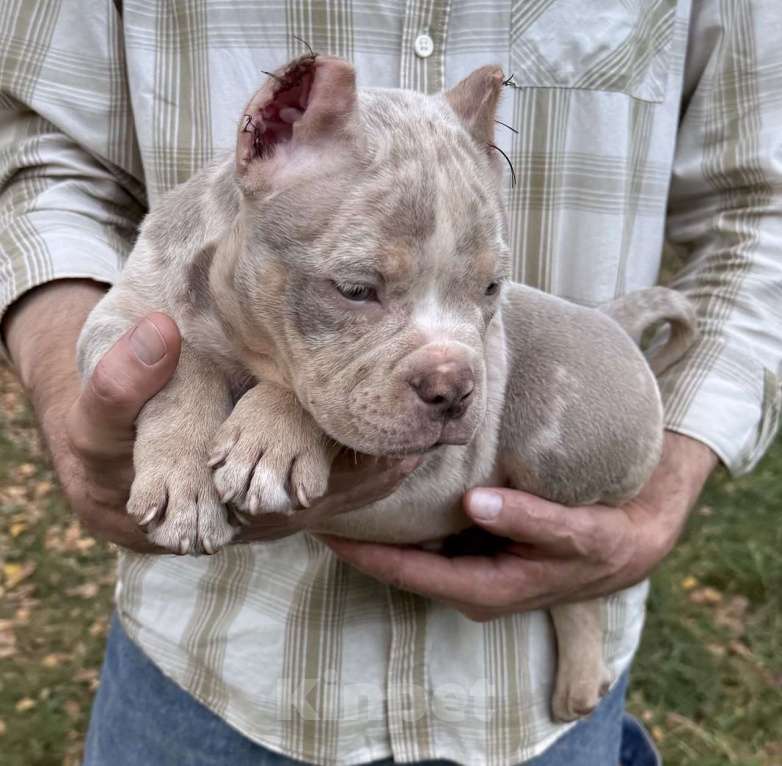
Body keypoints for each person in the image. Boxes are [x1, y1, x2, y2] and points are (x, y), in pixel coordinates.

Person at [1, 2, 780, 764]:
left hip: (528, 695)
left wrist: (657, 494)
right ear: (268, 132)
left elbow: (763, 208)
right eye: (359, 287)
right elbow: (40, 158)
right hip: (206, 664)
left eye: (483, 293)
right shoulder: (251, 200)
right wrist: (102, 417)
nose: (448, 374)